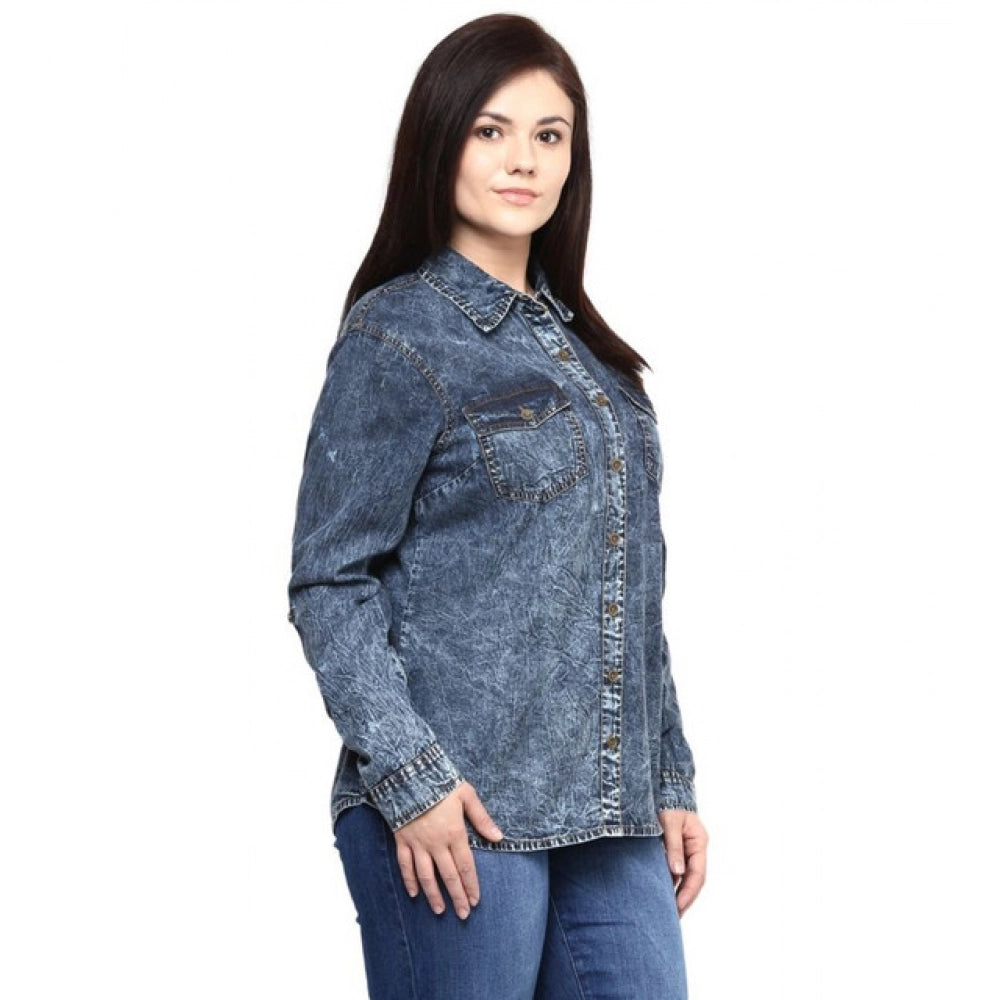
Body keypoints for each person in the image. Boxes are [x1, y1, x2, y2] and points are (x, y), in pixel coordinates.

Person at [286, 13, 708, 999]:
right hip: (461, 806)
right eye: (491, 130)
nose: (524, 159)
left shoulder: (596, 361)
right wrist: (409, 777)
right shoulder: (396, 336)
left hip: (610, 815)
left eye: (549, 134)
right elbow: (329, 579)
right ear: (440, 141)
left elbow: (627, 592)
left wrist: (668, 776)